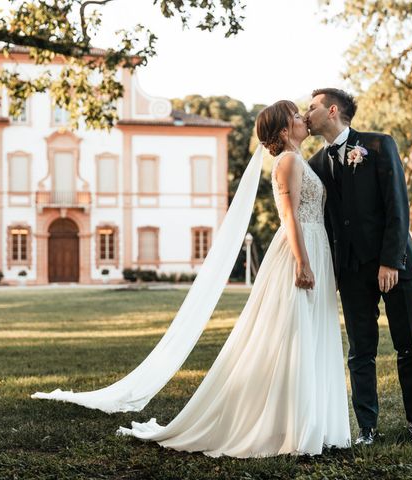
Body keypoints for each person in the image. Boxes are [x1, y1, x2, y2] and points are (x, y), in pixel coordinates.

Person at [116, 100, 351, 457]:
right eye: (296, 116)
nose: (304, 118)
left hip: (315, 246)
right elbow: (289, 216)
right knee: (295, 334)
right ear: (286, 131)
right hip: (299, 249)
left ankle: (310, 422)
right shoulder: (287, 161)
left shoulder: (298, 159)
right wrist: (303, 262)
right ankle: (295, 426)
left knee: (309, 333)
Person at [305, 88, 412, 446]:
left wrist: (390, 261)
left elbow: (398, 205)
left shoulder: (377, 146)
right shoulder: (315, 164)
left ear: (332, 111)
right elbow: (326, 223)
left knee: (409, 346)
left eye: (311, 107)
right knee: (361, 351)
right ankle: (367, 428)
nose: (306, 113)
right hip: (351, 271)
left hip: (396, 265)